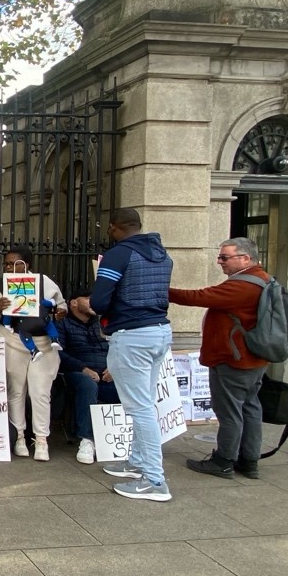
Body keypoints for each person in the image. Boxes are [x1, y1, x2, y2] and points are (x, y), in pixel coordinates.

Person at [88, 208, 174, 501]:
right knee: (146, 403)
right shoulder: (163, 255)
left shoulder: (118, 255)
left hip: (132, 335)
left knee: (140, 409)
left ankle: (154, 480)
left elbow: (99, 301)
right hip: (160, 330)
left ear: (114, 228)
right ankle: (137, 463)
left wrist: (100, 305)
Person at [169, 237, 271, 480]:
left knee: (229, 412)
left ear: (245, 258)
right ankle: (249, 460)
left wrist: (160, 290)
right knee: (250, 408)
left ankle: (224, 461)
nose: (219, 262)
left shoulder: (243, 286)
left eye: (225, 257)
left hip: (233, 359)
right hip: (253, 359)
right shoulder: (264, 280)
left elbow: (199, 297)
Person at [0, 248, 66, 460]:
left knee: (40, 393)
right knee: (15, 391)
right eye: (6, 265)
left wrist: (60, 311)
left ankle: (41, 440)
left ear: (27, 265)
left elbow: (60, 307)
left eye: (13, 264)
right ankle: (18, 436)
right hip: (12, 341)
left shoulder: (45, 283)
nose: (9, 268)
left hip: (43, 344)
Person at [58, 290, 121, 464]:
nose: (93, 302)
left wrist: (114, 367)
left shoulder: (103, 323)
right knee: (87, 385)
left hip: (107, 374)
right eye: (87, 298)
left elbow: (119, 347)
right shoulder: (62, 324)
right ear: (74, 303)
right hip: (76, 374)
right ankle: (87, 439)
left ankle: (132, 439)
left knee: (130, 387)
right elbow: (58, 353)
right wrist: (83, 368)